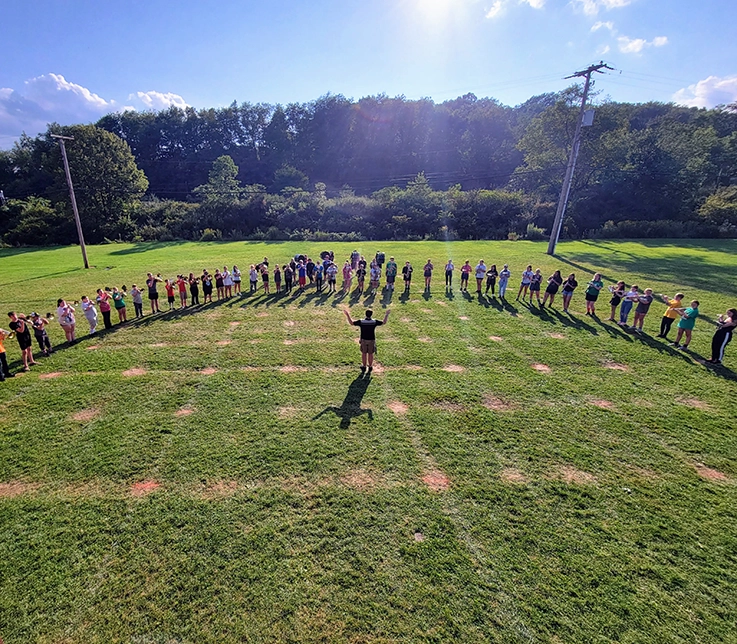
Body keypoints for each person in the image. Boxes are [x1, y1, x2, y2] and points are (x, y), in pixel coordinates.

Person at [343, 307, 390, 373]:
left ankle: (364, 366)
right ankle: (370, 366)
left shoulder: (361, 322)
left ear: (365, 314)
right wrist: (386, 314)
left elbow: (351, 323)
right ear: (371, 314)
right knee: (370, 354)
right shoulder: (374, 322)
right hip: (371, 340)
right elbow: (384, 322)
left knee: (364, 353)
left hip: (363, 340)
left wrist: (347, 315)